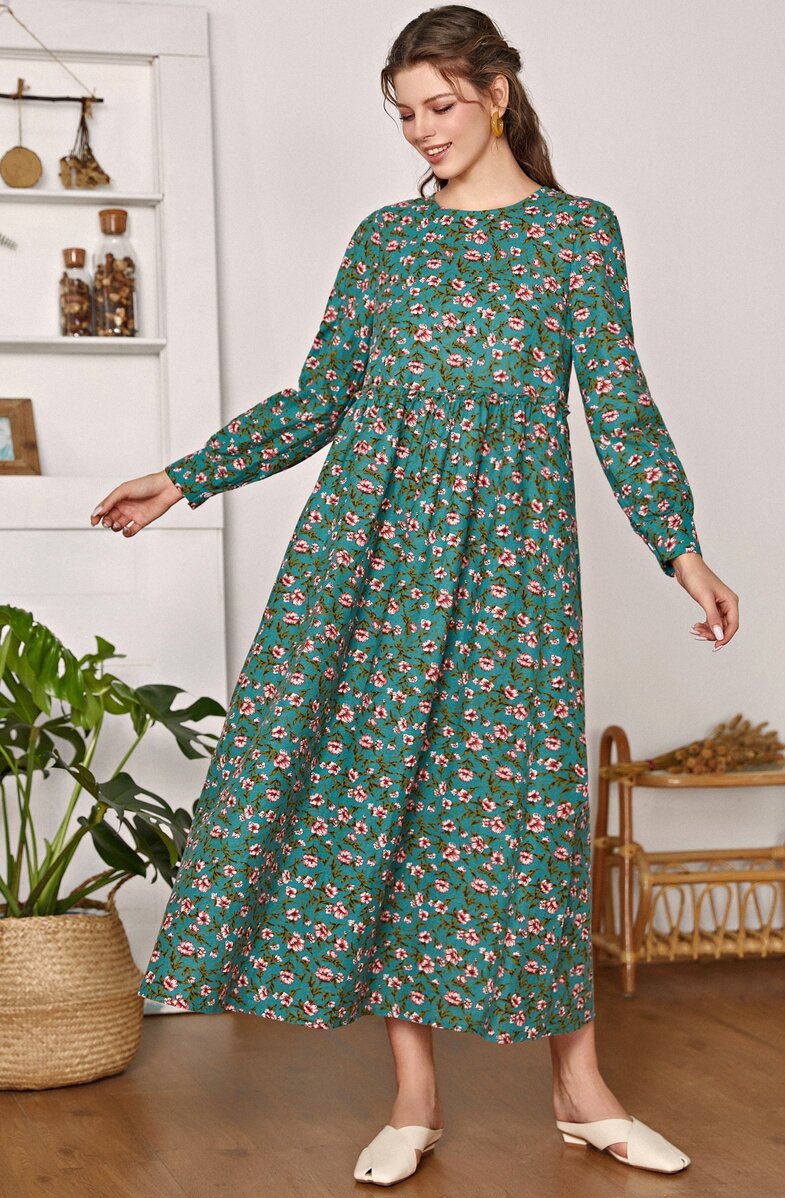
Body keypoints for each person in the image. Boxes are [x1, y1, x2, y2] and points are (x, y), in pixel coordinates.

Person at [91, 4, 739, 1186]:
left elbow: (618, 399)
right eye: (404, 114)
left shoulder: (577, 236)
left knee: (526, 819)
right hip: (374, 555)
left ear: (497, 93)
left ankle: (580, 1089)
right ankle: (413, 1099)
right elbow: (319, 397)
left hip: (514, 567)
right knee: (384, 803)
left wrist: (678, 546)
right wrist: (186, 476)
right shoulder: (387, 241)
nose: (422, 131)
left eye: (439, 105)